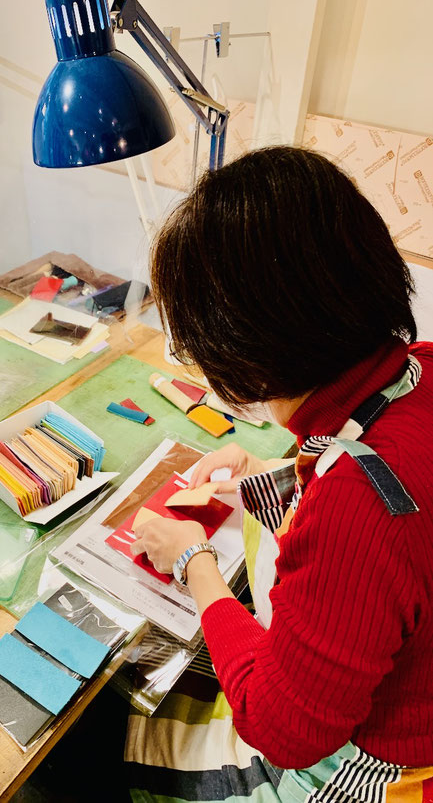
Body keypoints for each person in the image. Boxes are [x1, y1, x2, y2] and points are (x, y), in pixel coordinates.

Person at [126, 146, 433, 801]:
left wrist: (193, 562)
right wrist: (268, 473)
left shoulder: (358, 503)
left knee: (118, 746)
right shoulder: (419, 370)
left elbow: (285, 732)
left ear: (244, 346)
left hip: (387, 764)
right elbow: (374, 464)